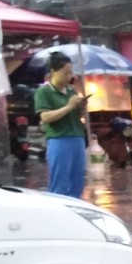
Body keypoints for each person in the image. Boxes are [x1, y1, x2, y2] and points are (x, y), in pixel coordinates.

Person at [34, 51, 88, 199]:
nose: (69, 76)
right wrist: (68, 107)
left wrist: (81, 108)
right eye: (65, 73)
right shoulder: (44, 92)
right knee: (61, 183)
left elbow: (78, 117)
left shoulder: (71, 91)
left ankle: (75, 212)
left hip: (77, 138)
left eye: (70, 72)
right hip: (59, 140)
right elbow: (45, 117)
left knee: (77, 182)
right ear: (53, 72)